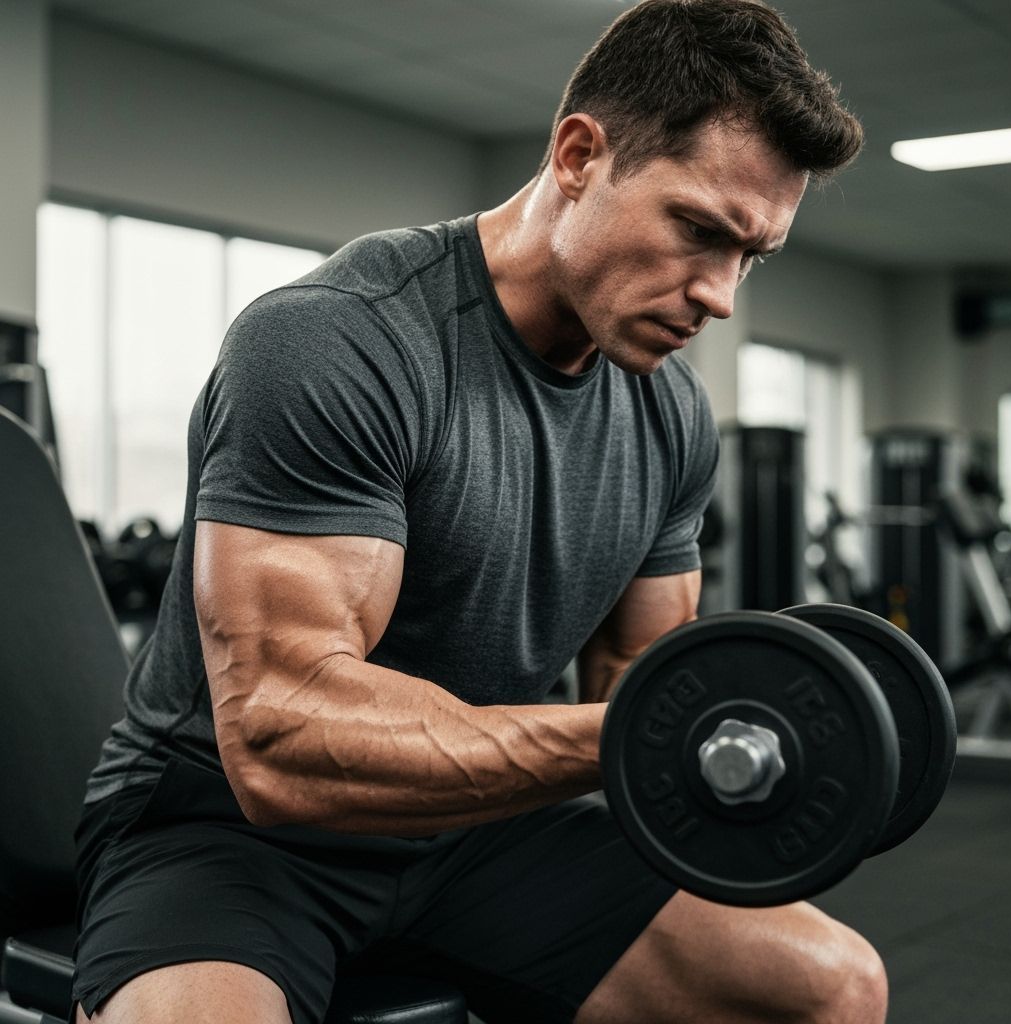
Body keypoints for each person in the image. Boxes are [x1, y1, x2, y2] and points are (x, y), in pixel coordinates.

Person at [71, 2, 885, 1022]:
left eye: (750, 254)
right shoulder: (340, 343)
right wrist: (659, 731)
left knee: (828, 987)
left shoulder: (671, 412)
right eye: (697, 230)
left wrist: (768, 752)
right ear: (580, 156)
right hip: (230, 833)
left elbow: (641, 681)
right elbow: (282, 738)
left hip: (481, 831)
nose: (719, 294)